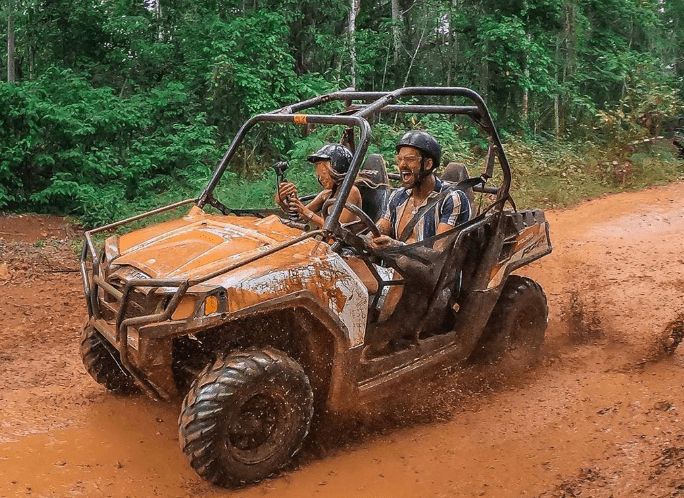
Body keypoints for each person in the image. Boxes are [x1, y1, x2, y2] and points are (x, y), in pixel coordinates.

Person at [372, 130, 471, 248]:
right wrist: (368, 238)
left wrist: (396, 246)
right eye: (400, 159)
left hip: (433, 266)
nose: (402, 165)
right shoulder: (397, 196)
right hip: (391, 266)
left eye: (410, 159)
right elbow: (381, 229)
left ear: (428, 164)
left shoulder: (451, 199)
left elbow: (439, 255)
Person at [275, 143, 363, 228]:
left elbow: (337, 229)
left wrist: (305, 211)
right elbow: (299, 216)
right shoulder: (327, 193)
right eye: (319, 173)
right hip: (327, 241)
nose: (320, 178)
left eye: (324, 173)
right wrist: (284, 202)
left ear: (338, 170)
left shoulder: (351, 192)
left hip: (344, 242)